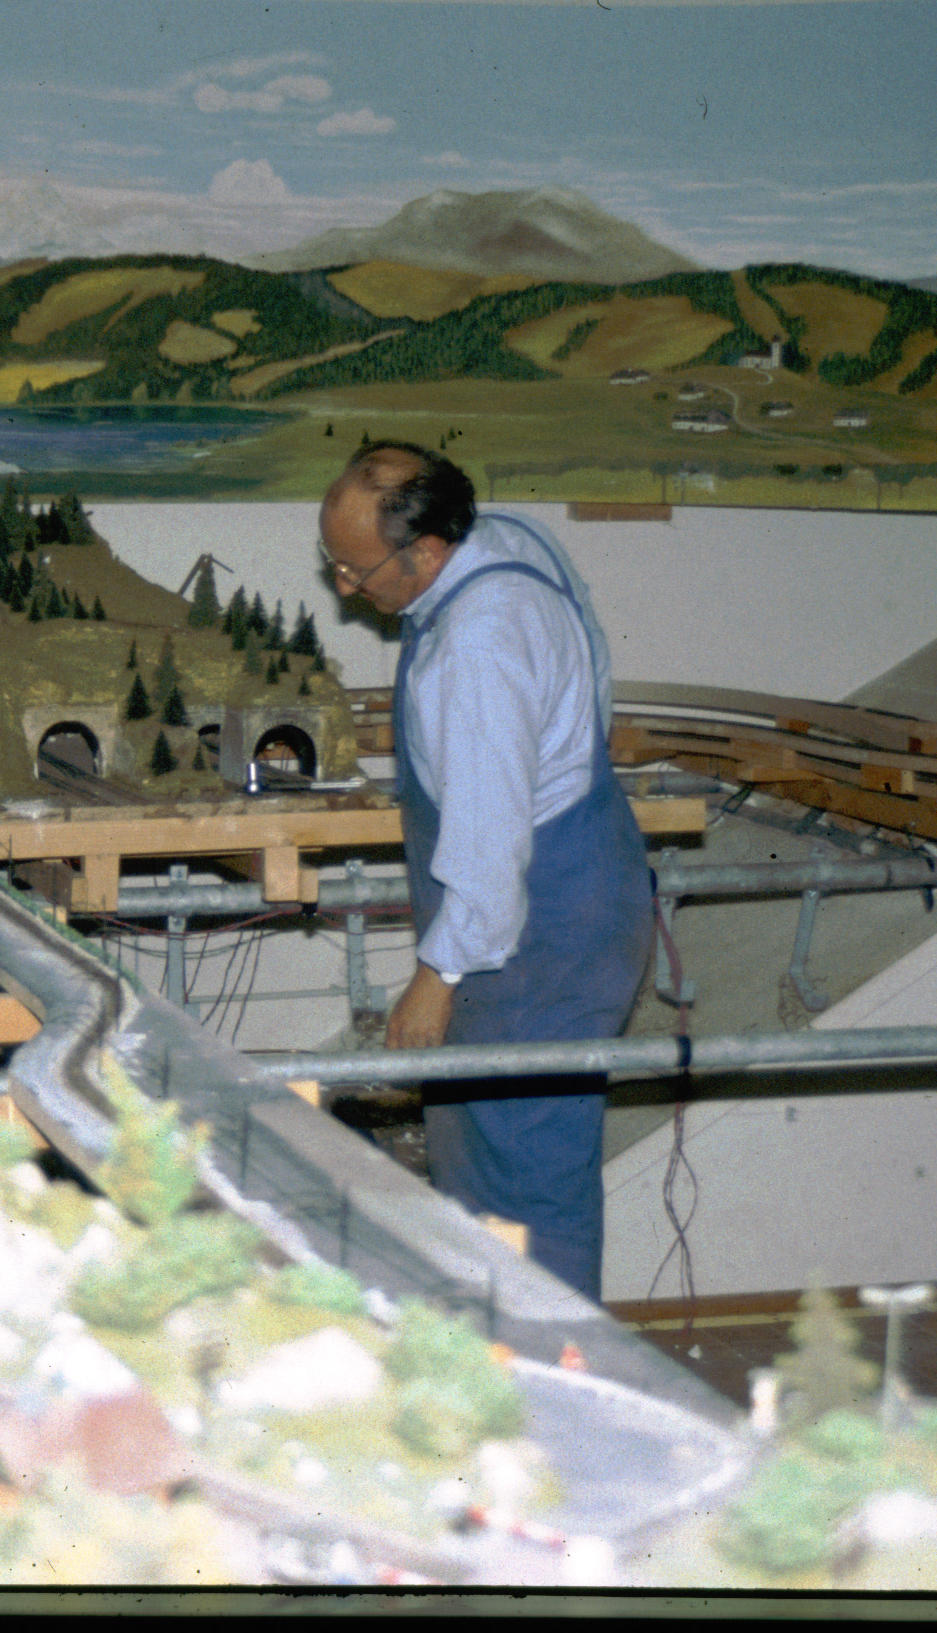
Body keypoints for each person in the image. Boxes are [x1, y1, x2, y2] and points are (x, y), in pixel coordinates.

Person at [318, 441, 653, 1300]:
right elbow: (593, 677)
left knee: (524, 1186)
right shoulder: (506, 537)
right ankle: (492, 1358)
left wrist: (436, 979)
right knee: (479, 1166)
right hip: (569, 888)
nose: (346, 589)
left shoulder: (478, 647)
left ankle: (551, 1370)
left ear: (427, 551)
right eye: (335, 565)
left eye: (356, 571)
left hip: (536, 930)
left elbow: (488, 842)